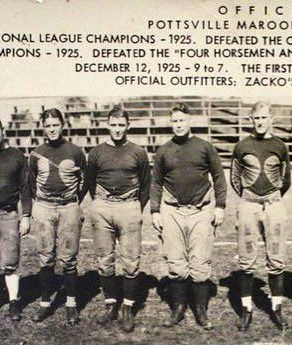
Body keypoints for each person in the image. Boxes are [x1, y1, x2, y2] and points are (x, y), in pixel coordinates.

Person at [150, 103, 226, 330]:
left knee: (200, 262)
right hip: (172, 210)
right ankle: (179, 308)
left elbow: (219, 177)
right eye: (174, 121)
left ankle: (201, 310)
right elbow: (156, 182)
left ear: (190, 120)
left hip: (201, 210)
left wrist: (220, 206)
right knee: (175, 262)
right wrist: (155, 210)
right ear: (170, 123)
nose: (178, 125)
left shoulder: (205, 147)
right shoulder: (163, 150)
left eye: (182, 120)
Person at [86, 107, 151, 332]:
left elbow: (146, 184)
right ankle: (111, 304)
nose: (117, 129)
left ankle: (128, 307)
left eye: (121, 125)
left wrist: (134, 207)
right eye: (113, 125)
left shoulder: (138, 152)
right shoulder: (95, 152)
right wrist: (100, 204)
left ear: (128, 126)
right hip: (102, 206)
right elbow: (90, 181)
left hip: (129, 206)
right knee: (104, 259)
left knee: (131, 261)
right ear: (107, 125)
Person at [230, 101, 292, 331]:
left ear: (271, 119)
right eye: (257, 118)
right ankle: (246, 310)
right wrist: (249, 199)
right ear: (251, 120)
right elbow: (235, 178)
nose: (260, 122)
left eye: (264, 117)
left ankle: (276, 308)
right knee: (246, 260)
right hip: (248, 205)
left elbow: (286, 179)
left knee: (276, 259)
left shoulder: (280, 145)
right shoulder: (242, 146)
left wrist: (271, 198)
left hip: (273, 205)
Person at [29, 108, 87, 325]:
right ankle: (45, 303)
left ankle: (71, 304)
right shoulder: (36, 153)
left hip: (68, 208)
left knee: (69, 259)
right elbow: (32, 182)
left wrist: (71, 202)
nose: (52, 129)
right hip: (44, 207)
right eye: (48, 126)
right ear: (43, 127)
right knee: (45, 257)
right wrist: (44, 203)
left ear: (63, 125)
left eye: (55, 125)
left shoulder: (75, 151)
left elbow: (84, 181)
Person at [0, 112, 31, 321]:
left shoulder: (16, 156)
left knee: (10, 260)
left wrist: (26, 217)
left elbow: (25, 188)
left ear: (2, 131)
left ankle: (14, 301)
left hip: (9, 214)